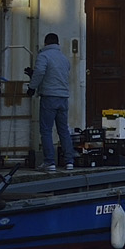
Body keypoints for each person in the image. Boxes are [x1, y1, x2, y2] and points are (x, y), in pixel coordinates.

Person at [30, 33, 74, 170]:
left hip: (49, 96)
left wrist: (32, 87)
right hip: (63, 98)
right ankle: (69, 161)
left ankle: (49, 162)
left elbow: (40, 72)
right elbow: (56, 74)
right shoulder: (64, 58)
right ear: (57, 43)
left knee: (46, 130)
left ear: (46, 43)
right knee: (63, 130)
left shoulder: (43, 56)